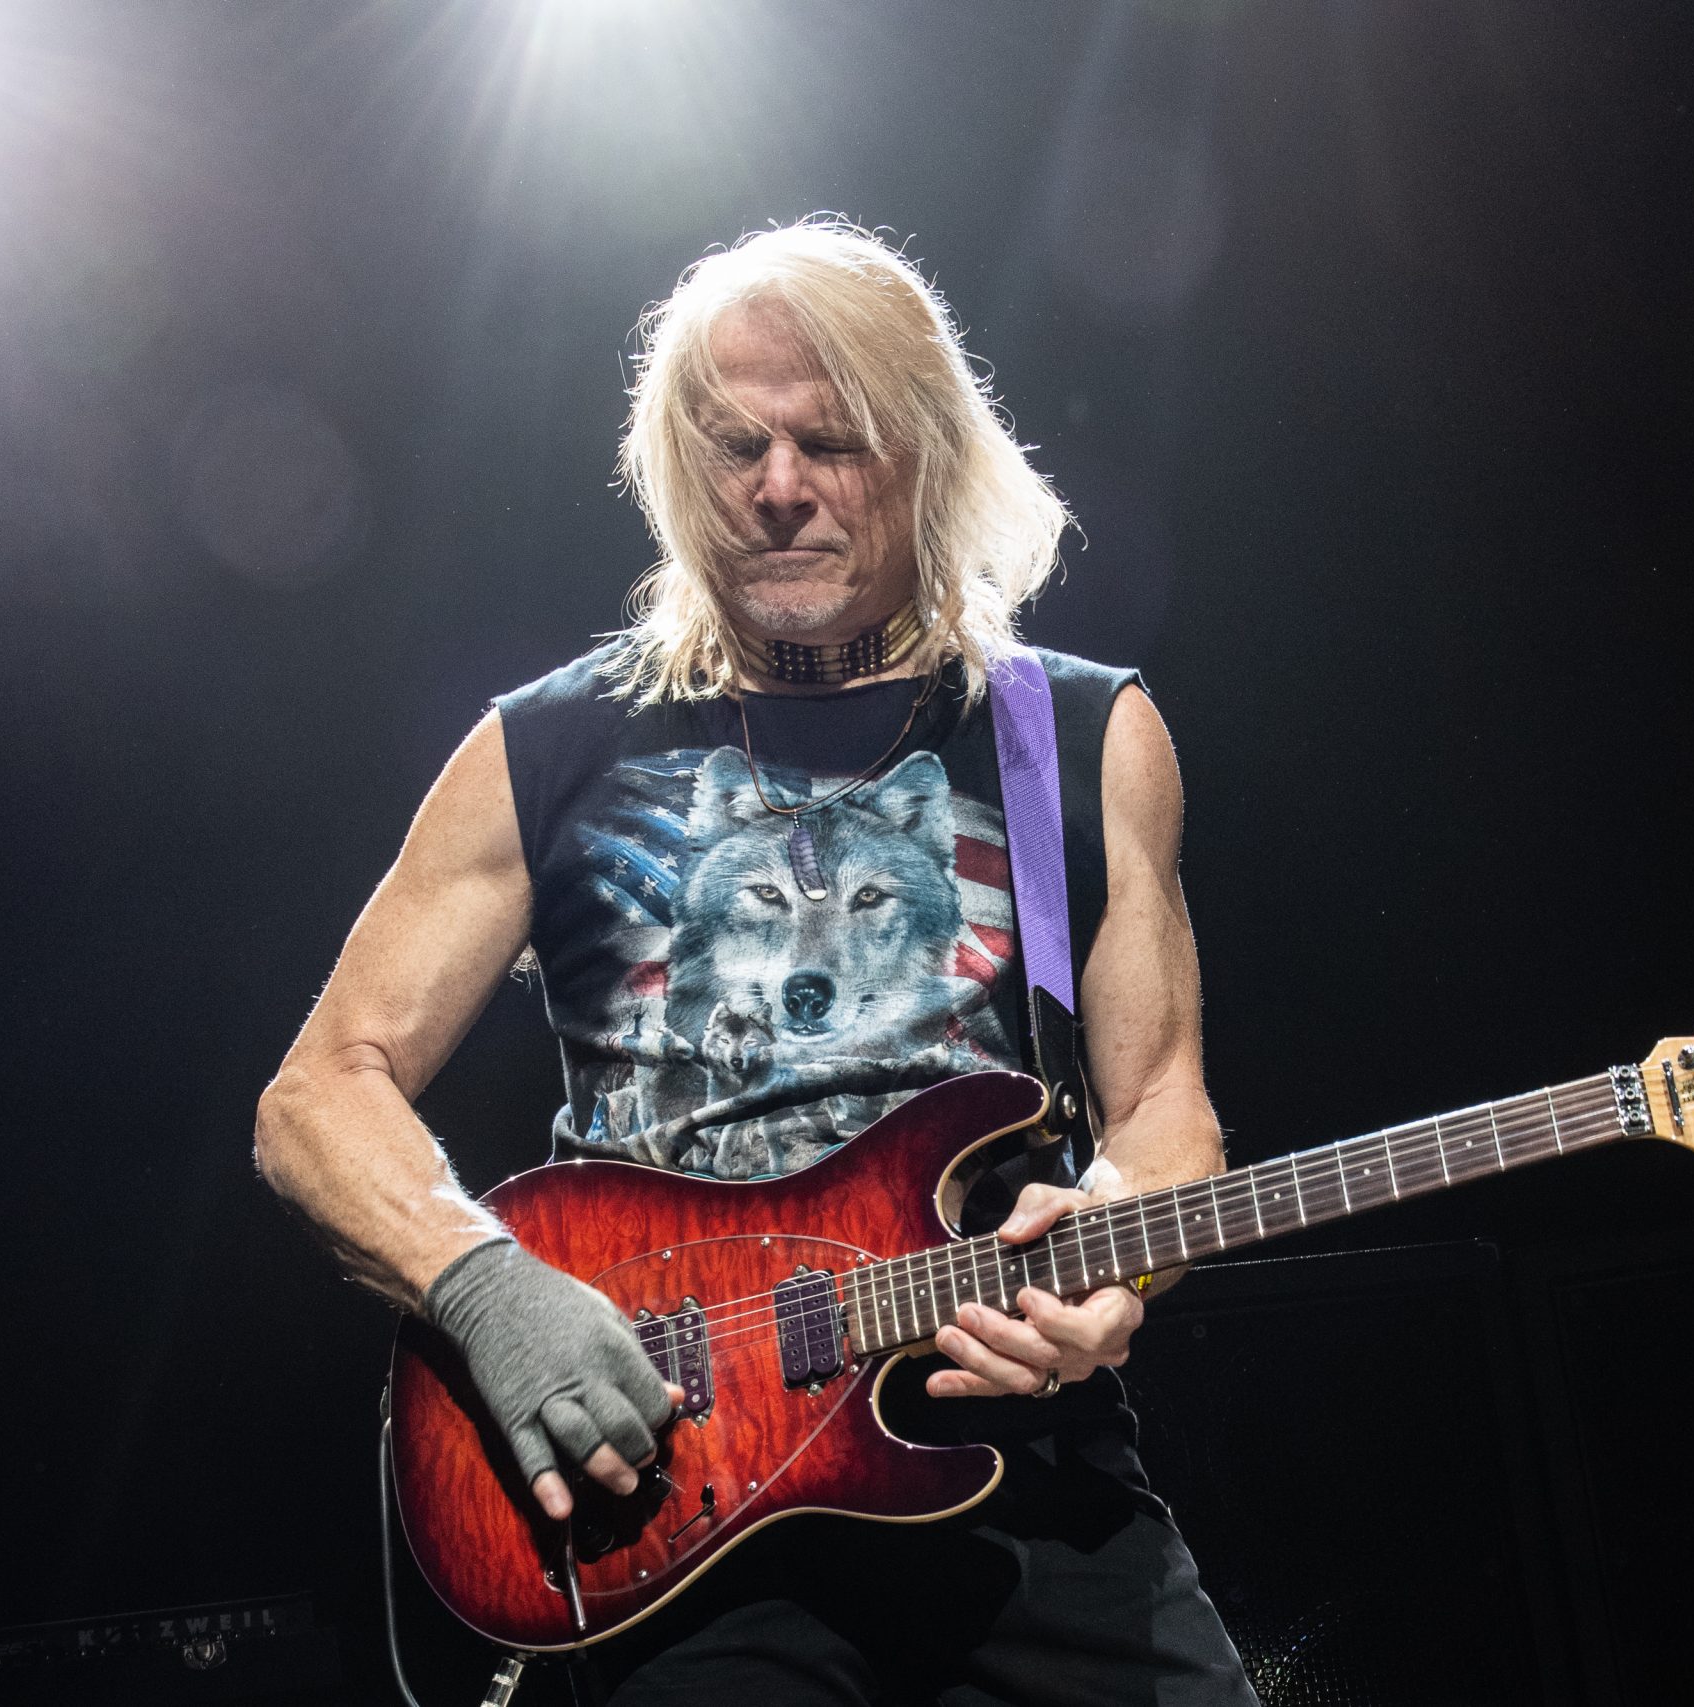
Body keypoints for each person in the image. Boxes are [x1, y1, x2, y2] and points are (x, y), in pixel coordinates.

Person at [255, 219, 1256, 1703]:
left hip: (1024, 1469)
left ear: (928, 456)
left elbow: (1165, 1105)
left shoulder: (1076, 734)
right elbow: (317, 1095)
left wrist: (1121, 1256)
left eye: (832, 441)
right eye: (736, 446)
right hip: (683, 1499)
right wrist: (485, 1289)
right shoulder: (547, 745)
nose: (781, 487)